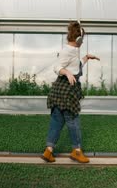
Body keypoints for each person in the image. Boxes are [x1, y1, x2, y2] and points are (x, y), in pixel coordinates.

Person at [42, 21, 100, 163]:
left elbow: (75, 66)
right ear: (79, 39)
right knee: (73, 121)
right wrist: (67, 73)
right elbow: (57, 67)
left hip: (60, 91)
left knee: (57, 121)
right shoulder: (68, 50)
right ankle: (76, 151)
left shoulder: (71, 51)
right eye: (82, 38)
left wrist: (86, 58)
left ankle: (48, 151)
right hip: (67, 91)